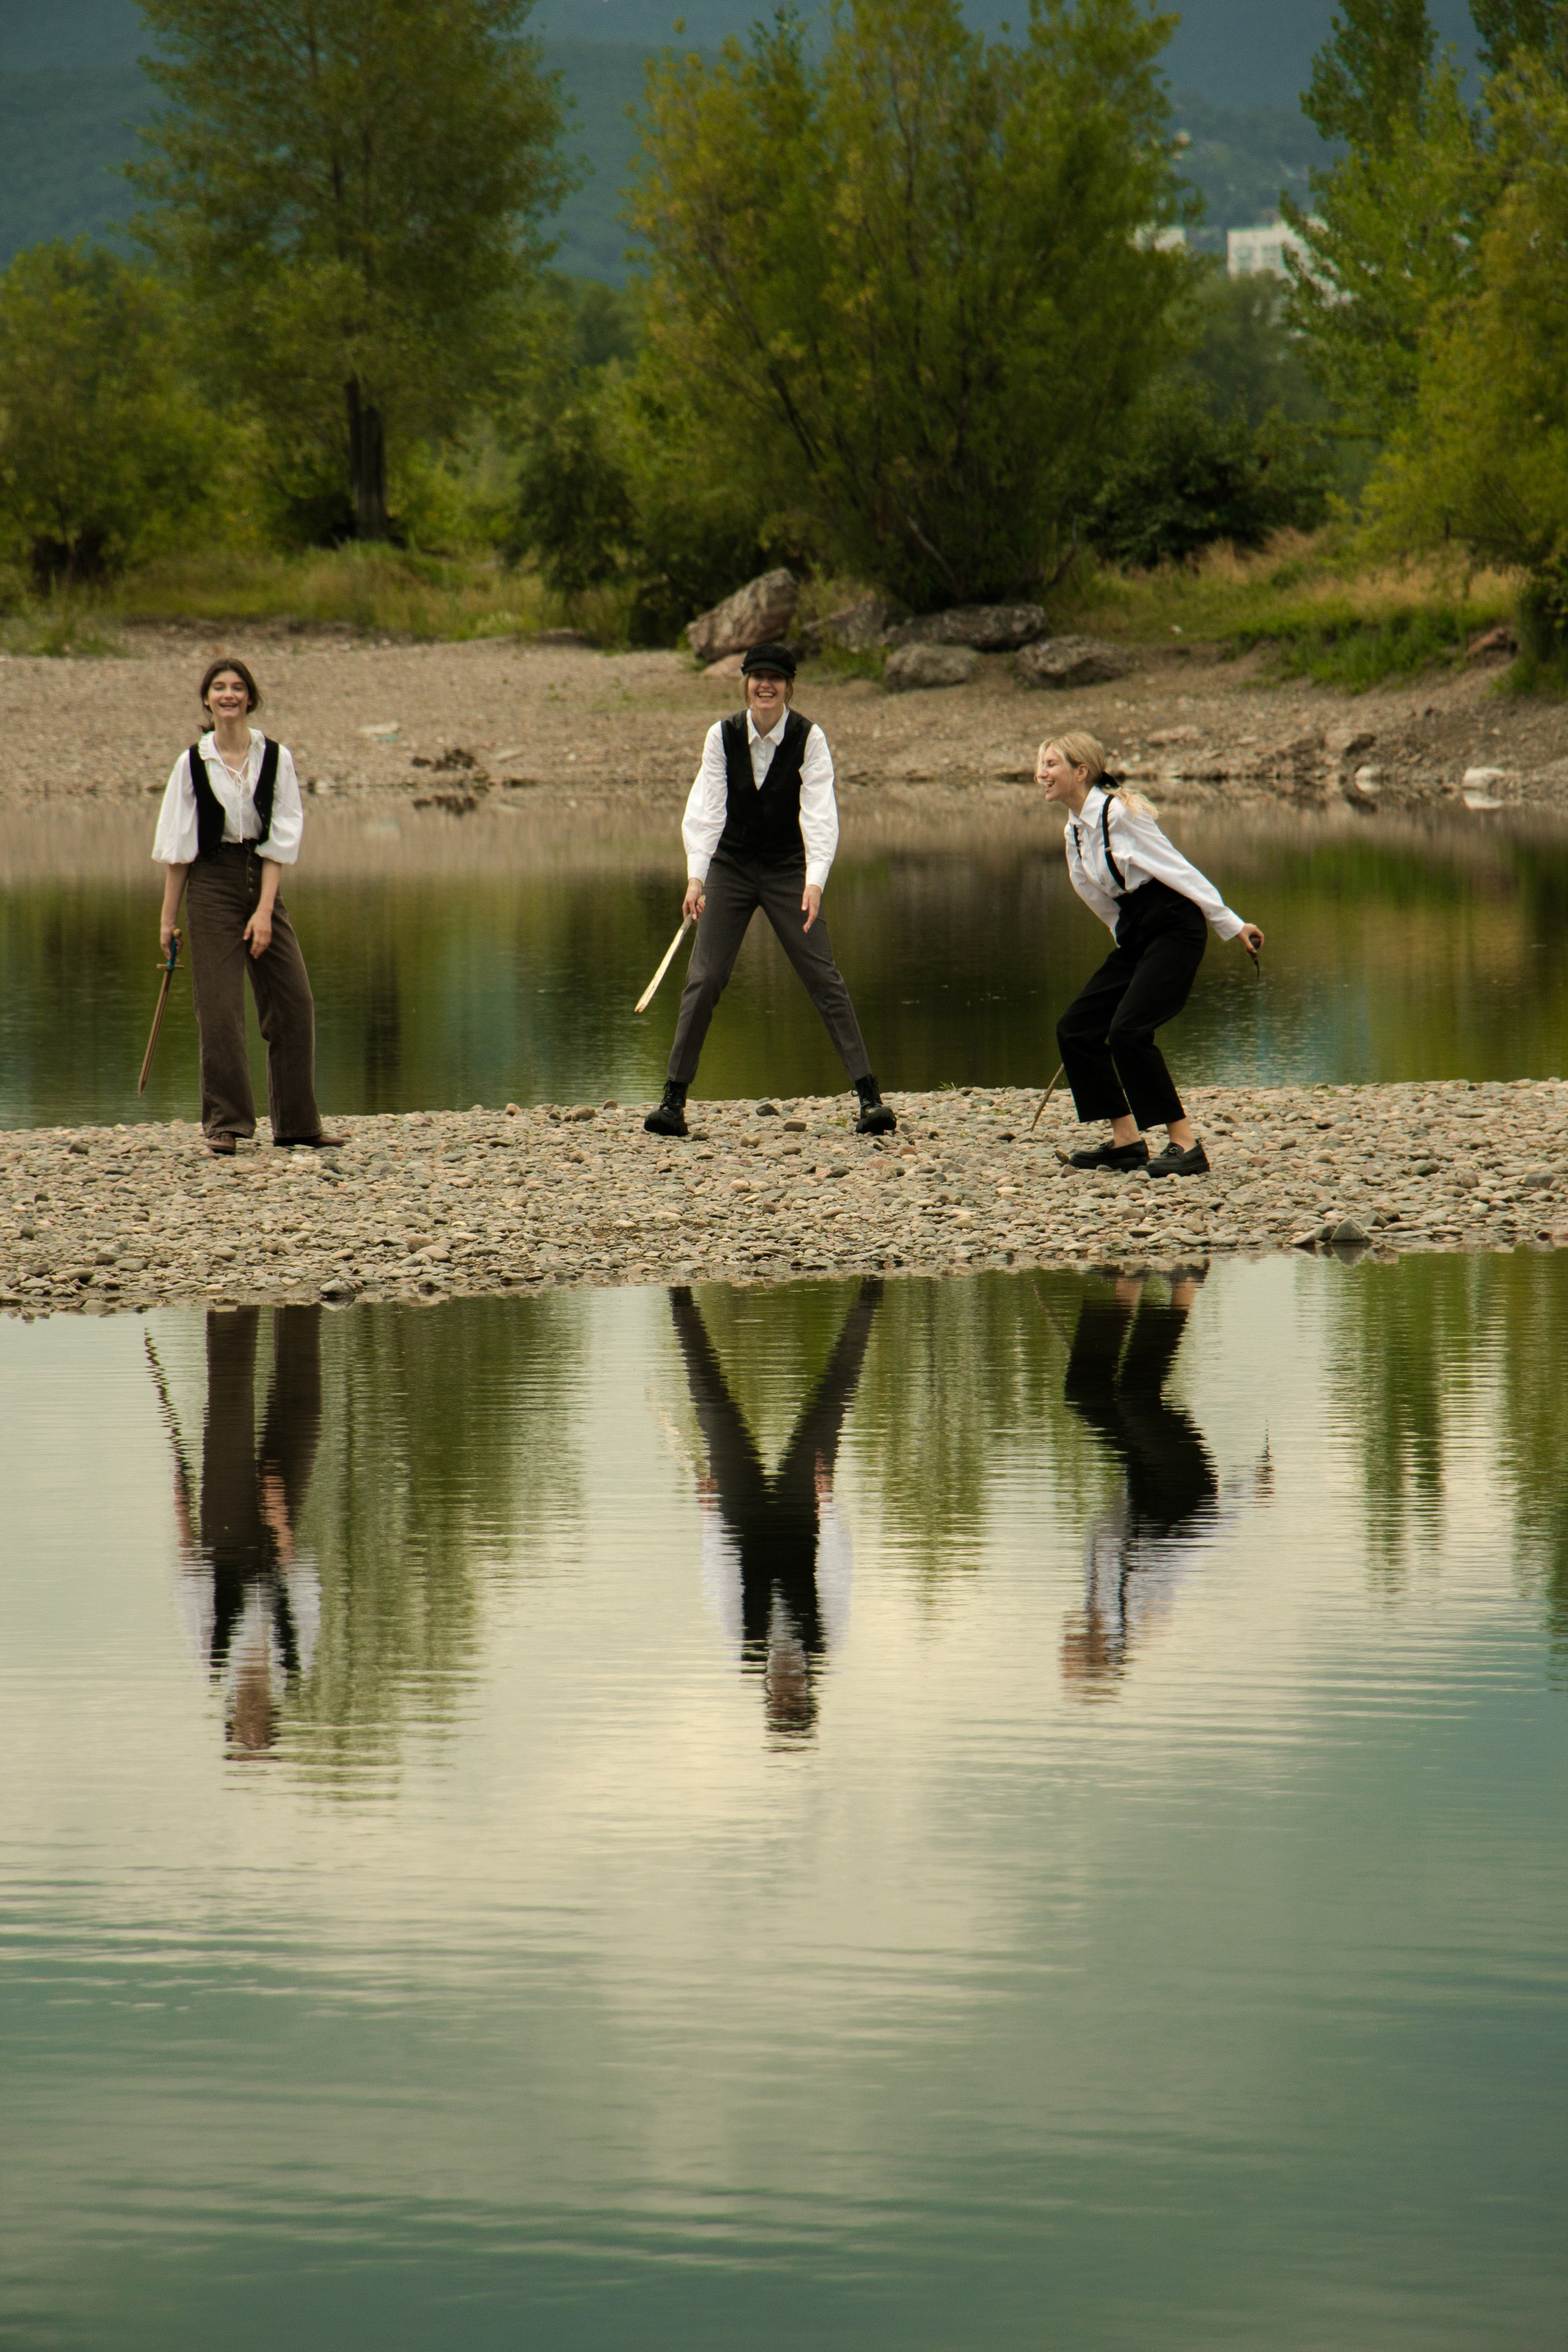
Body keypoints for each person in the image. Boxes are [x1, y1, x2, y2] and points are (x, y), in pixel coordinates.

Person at [644, 642, 895, 1137]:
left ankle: (870, 1099)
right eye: (757, 676)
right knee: (705, 978)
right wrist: (697, 877)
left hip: (787, 870)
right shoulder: (721, 736)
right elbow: (706, 810)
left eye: (775, 678)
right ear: (746, 684)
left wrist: (815, 881)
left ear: (788, 686)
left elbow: (821, 814)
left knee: (824, 979)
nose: (766, 685)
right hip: (731, 867)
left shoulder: (810, 738)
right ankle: (673, 1102)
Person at [1038, 731, 1264, 1177]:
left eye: (1051, 765)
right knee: (1076, 1030)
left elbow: (1178, 868)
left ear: (1080, 772)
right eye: (1040, 765)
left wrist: (1231, 924)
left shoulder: (1120, 814)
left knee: (1128, 1031)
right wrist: (1124, 943)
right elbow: (1094, 894)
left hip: (1175, 925)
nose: (1040, 774)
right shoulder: (1074, 830)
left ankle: (1186, 1144)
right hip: (1136, 932)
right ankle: (1126, 1141)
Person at [666, 1278, 883, 1739]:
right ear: (808, 1690)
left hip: (743, 1524)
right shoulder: (826, 1641)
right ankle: (871, 1290)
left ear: (769, 1693)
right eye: (794, 1696)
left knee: (711, 1407)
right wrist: (829, 1505)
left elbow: (721, 1578)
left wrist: (710, 1516)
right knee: (834, 1398)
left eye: (782, 1698)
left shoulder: (744, 1648)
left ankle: (678, 1294)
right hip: (805, 1522)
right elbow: (837, 1573)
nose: (787, 1687)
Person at [152, 656, 340, 1156]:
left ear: (251, 698)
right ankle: (227, 1123)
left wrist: (263, 911)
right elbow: (178, 849)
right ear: (207, 700)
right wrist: (169, 921)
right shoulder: (192, 763)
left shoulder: (275, 757)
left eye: (238, 687)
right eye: (219, 687)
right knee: (220, 1011)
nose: (229, 695)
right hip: (211, 886)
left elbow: (281, 838)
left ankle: (298, 1123)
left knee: (294, 1002)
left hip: (263, 881)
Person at [1055, 1273, 1272, 1690]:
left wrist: (1131, 1446)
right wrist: (1249, 1490)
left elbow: (1120, 1517)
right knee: (1136, 1401)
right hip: (1183, 1487)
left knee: (1087, 1396)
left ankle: (1127, 1288)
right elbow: (1197, 1543)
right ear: (1096, 1652)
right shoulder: (1137, 1603)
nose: (1063, 1646)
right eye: (1071, 1656)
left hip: (1145, 1476)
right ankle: (1186, 1285)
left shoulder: (1099, 1595)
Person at [154, 1307, 323, 1756]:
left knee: (230, 1406)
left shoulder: (211, 1662)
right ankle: (296, 1304)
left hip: (223, 1541)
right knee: (304, 1408)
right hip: (275, 1539)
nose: (252, 1720)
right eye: (259, 1732)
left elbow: (190, 1573)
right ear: (270, 1720)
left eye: (244, 1731)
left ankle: (235, 1305)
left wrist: (181, 1498)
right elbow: (303, 1594)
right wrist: (279, 1516)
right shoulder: (292, 1668)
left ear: (230, 1721)